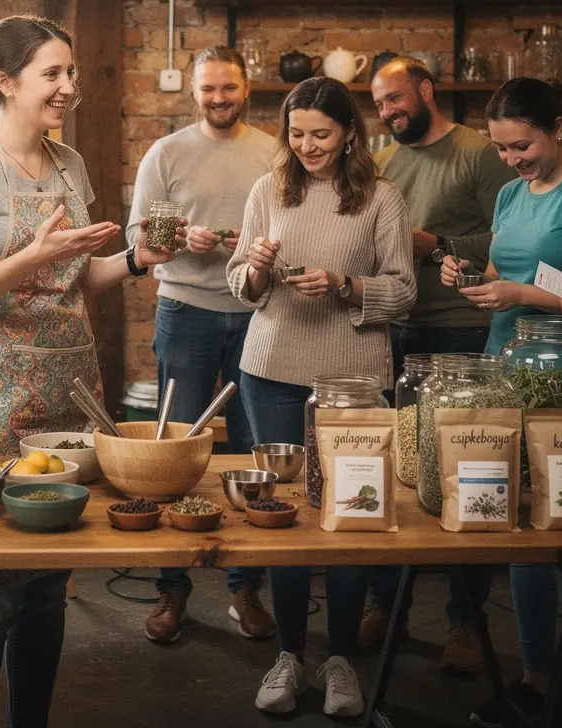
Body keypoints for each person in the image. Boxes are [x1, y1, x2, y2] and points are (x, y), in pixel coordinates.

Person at [0, 16, 184, 728]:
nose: (70, 87)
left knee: (46, 587)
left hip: (69, 395)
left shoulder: (70, 164)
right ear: (5, 83)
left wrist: (135, 261)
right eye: (53, 74)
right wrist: (32, 257)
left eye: (71, 72)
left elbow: (77, 279)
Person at [226, 77, 415, 718]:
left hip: (354, 377)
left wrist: (343, 284)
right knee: (282, 515)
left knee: (348, 510)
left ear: (350, 134)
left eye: (321, 134)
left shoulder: (381, 197)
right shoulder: (268, 189)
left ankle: (339, 660)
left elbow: (404, 292)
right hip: (272, 367)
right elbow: (240, 288)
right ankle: (288, 657)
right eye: (297, 133)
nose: (307, 145)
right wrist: (254, 268)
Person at [439, 78, 562, 728]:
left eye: (522, 146)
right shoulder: (512, 194)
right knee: (514, 526)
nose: (511, 161)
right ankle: (536, 675)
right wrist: (476, 280)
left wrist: (523, 296)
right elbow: (503, 272)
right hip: (504, 363)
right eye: (502, 149)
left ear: (560, 129)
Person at [367, 57, 515, 673]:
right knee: (398, 470)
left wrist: (440, 246)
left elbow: (507, 236)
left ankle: (464, 622)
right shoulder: (380, 160)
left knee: (464, 469)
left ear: (426, 90)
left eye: (397, 98)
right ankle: (386, 605)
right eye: (379, 103)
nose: (388, 111)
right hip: (394, 328)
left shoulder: (478, 153)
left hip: (462, 327)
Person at [126, 46, 275, 645]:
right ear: (194, 92)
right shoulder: (167, 152)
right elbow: (140, 233)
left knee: (251, 452)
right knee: (173, 456)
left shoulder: (272, 151)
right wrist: (181, 236)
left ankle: (244, 588)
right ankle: (173, 589)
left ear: (246, 87)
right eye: (208, 89)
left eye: (229, 88)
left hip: (256, 314)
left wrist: (255, 242)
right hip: (184, 309)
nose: (219, 99)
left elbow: (288, 223)